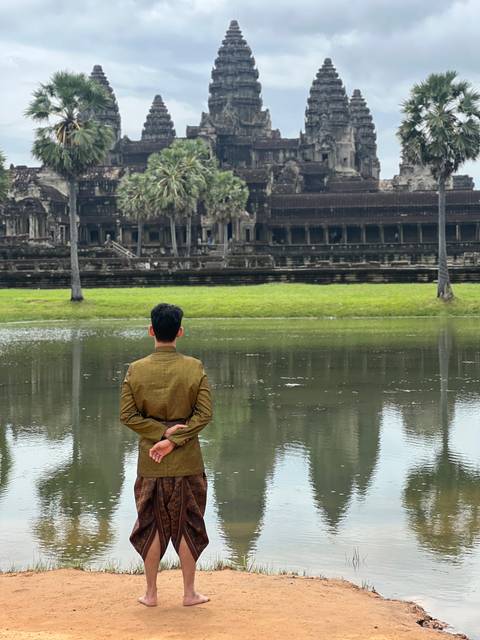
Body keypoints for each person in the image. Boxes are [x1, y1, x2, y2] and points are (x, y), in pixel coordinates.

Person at [120, 303, 212, 608]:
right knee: (188, 522)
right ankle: (189, 593)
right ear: (180, 332)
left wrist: (160, 436)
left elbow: (127, 415)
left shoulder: (136, 369)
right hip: (188, 460)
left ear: (151, 331)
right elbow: (204, 415)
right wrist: (175, 438)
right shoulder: (194, 367)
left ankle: (151, 593)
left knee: (151, 522)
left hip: (151, 460)